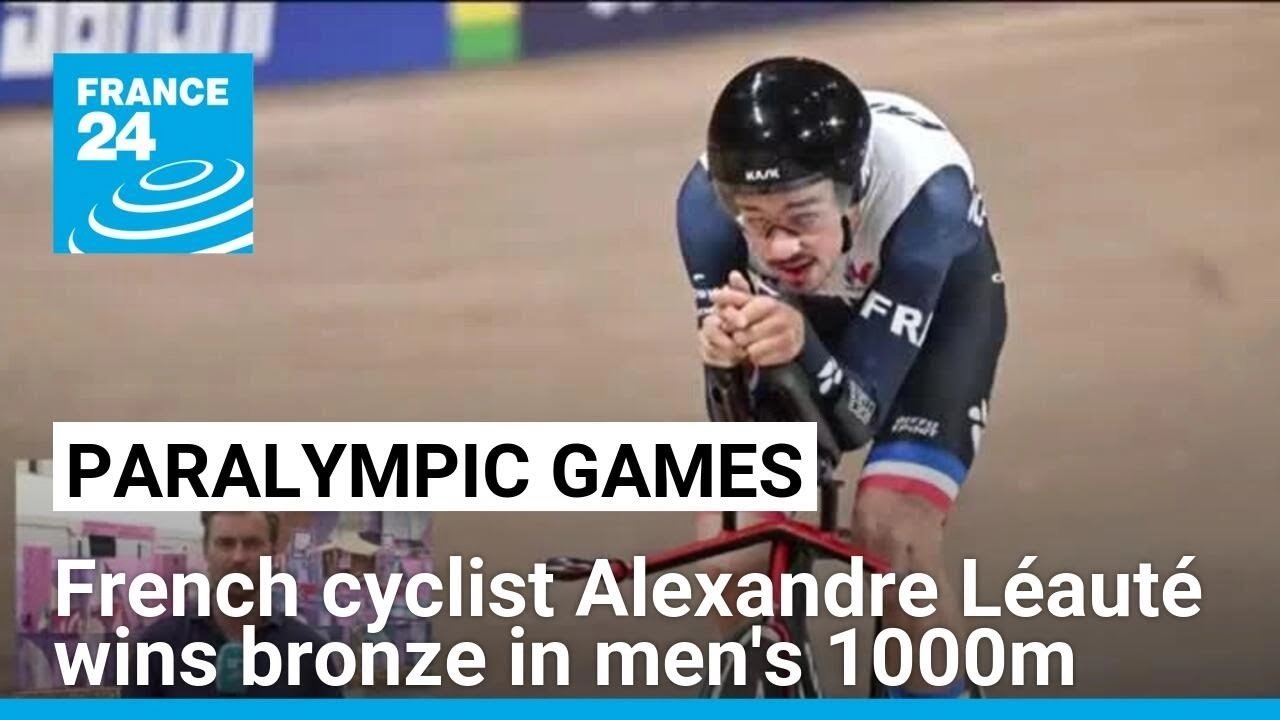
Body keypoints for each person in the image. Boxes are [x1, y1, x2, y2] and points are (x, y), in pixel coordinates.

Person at [676, 56, 1007, 699]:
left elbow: (857, 420)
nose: (777, 249)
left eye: (801, 218)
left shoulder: (928, 201)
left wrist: (803, 349)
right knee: (732, 547)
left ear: (851, 191)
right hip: (800, 321)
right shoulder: (704, 215)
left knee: (893, 531)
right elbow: (740, 436)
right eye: (758, 222)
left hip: (938, 315)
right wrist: (724, 365)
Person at [121, 511, 344, 698]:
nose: (238, 557)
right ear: (207, 552)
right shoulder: (157, 647)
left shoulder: (311, 653)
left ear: (273, 554)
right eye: (225, 543)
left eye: (252, 544)